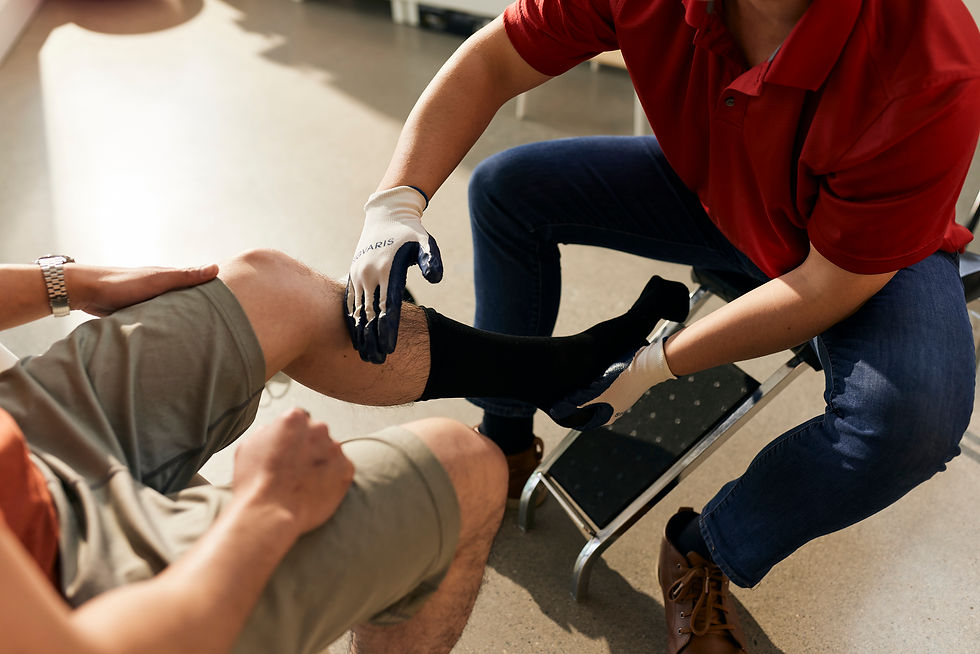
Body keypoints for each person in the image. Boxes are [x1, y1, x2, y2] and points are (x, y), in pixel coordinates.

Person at [343, 0, 980, 651]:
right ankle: (504, 442)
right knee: (507, 190)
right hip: (724, 184)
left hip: (863, 253)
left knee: (913, 421)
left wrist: (655, 365)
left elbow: (827, 285)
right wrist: (396, 200)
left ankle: (707, 550)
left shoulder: (929, 56)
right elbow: (495, 59)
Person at [0, 249, 687, 653]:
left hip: (23, 435)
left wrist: (69, 283)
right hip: (60, 581)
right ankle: (552, 385)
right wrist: (264, 510)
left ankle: (554, 374)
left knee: (271, 286)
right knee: (466, 466)